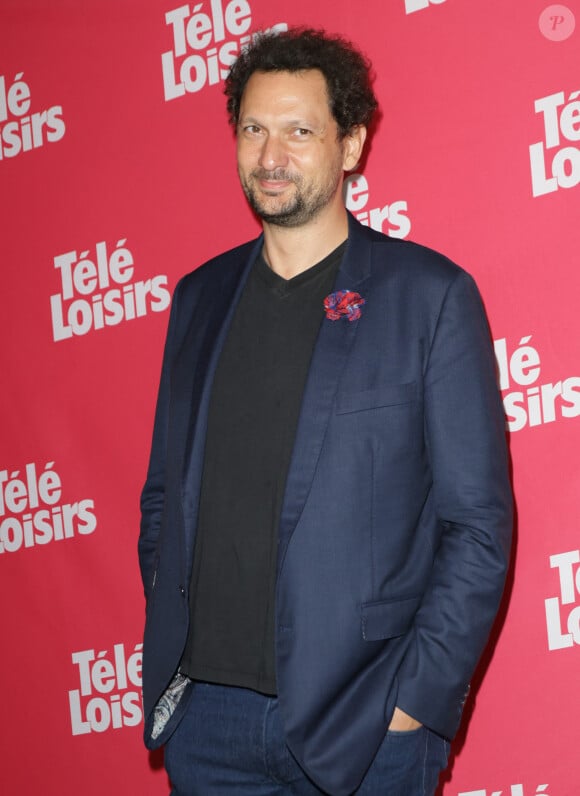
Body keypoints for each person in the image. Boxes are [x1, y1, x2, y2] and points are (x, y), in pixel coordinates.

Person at [138, 27, 512, 796]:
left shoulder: (428, 297)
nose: (271, 156)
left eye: (299, 130)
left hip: (366, 724)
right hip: (207, 721)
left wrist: (416, 700)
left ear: (351, 145)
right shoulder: (198, 299)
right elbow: (164, 498)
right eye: (254, 129)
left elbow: (478, 524)